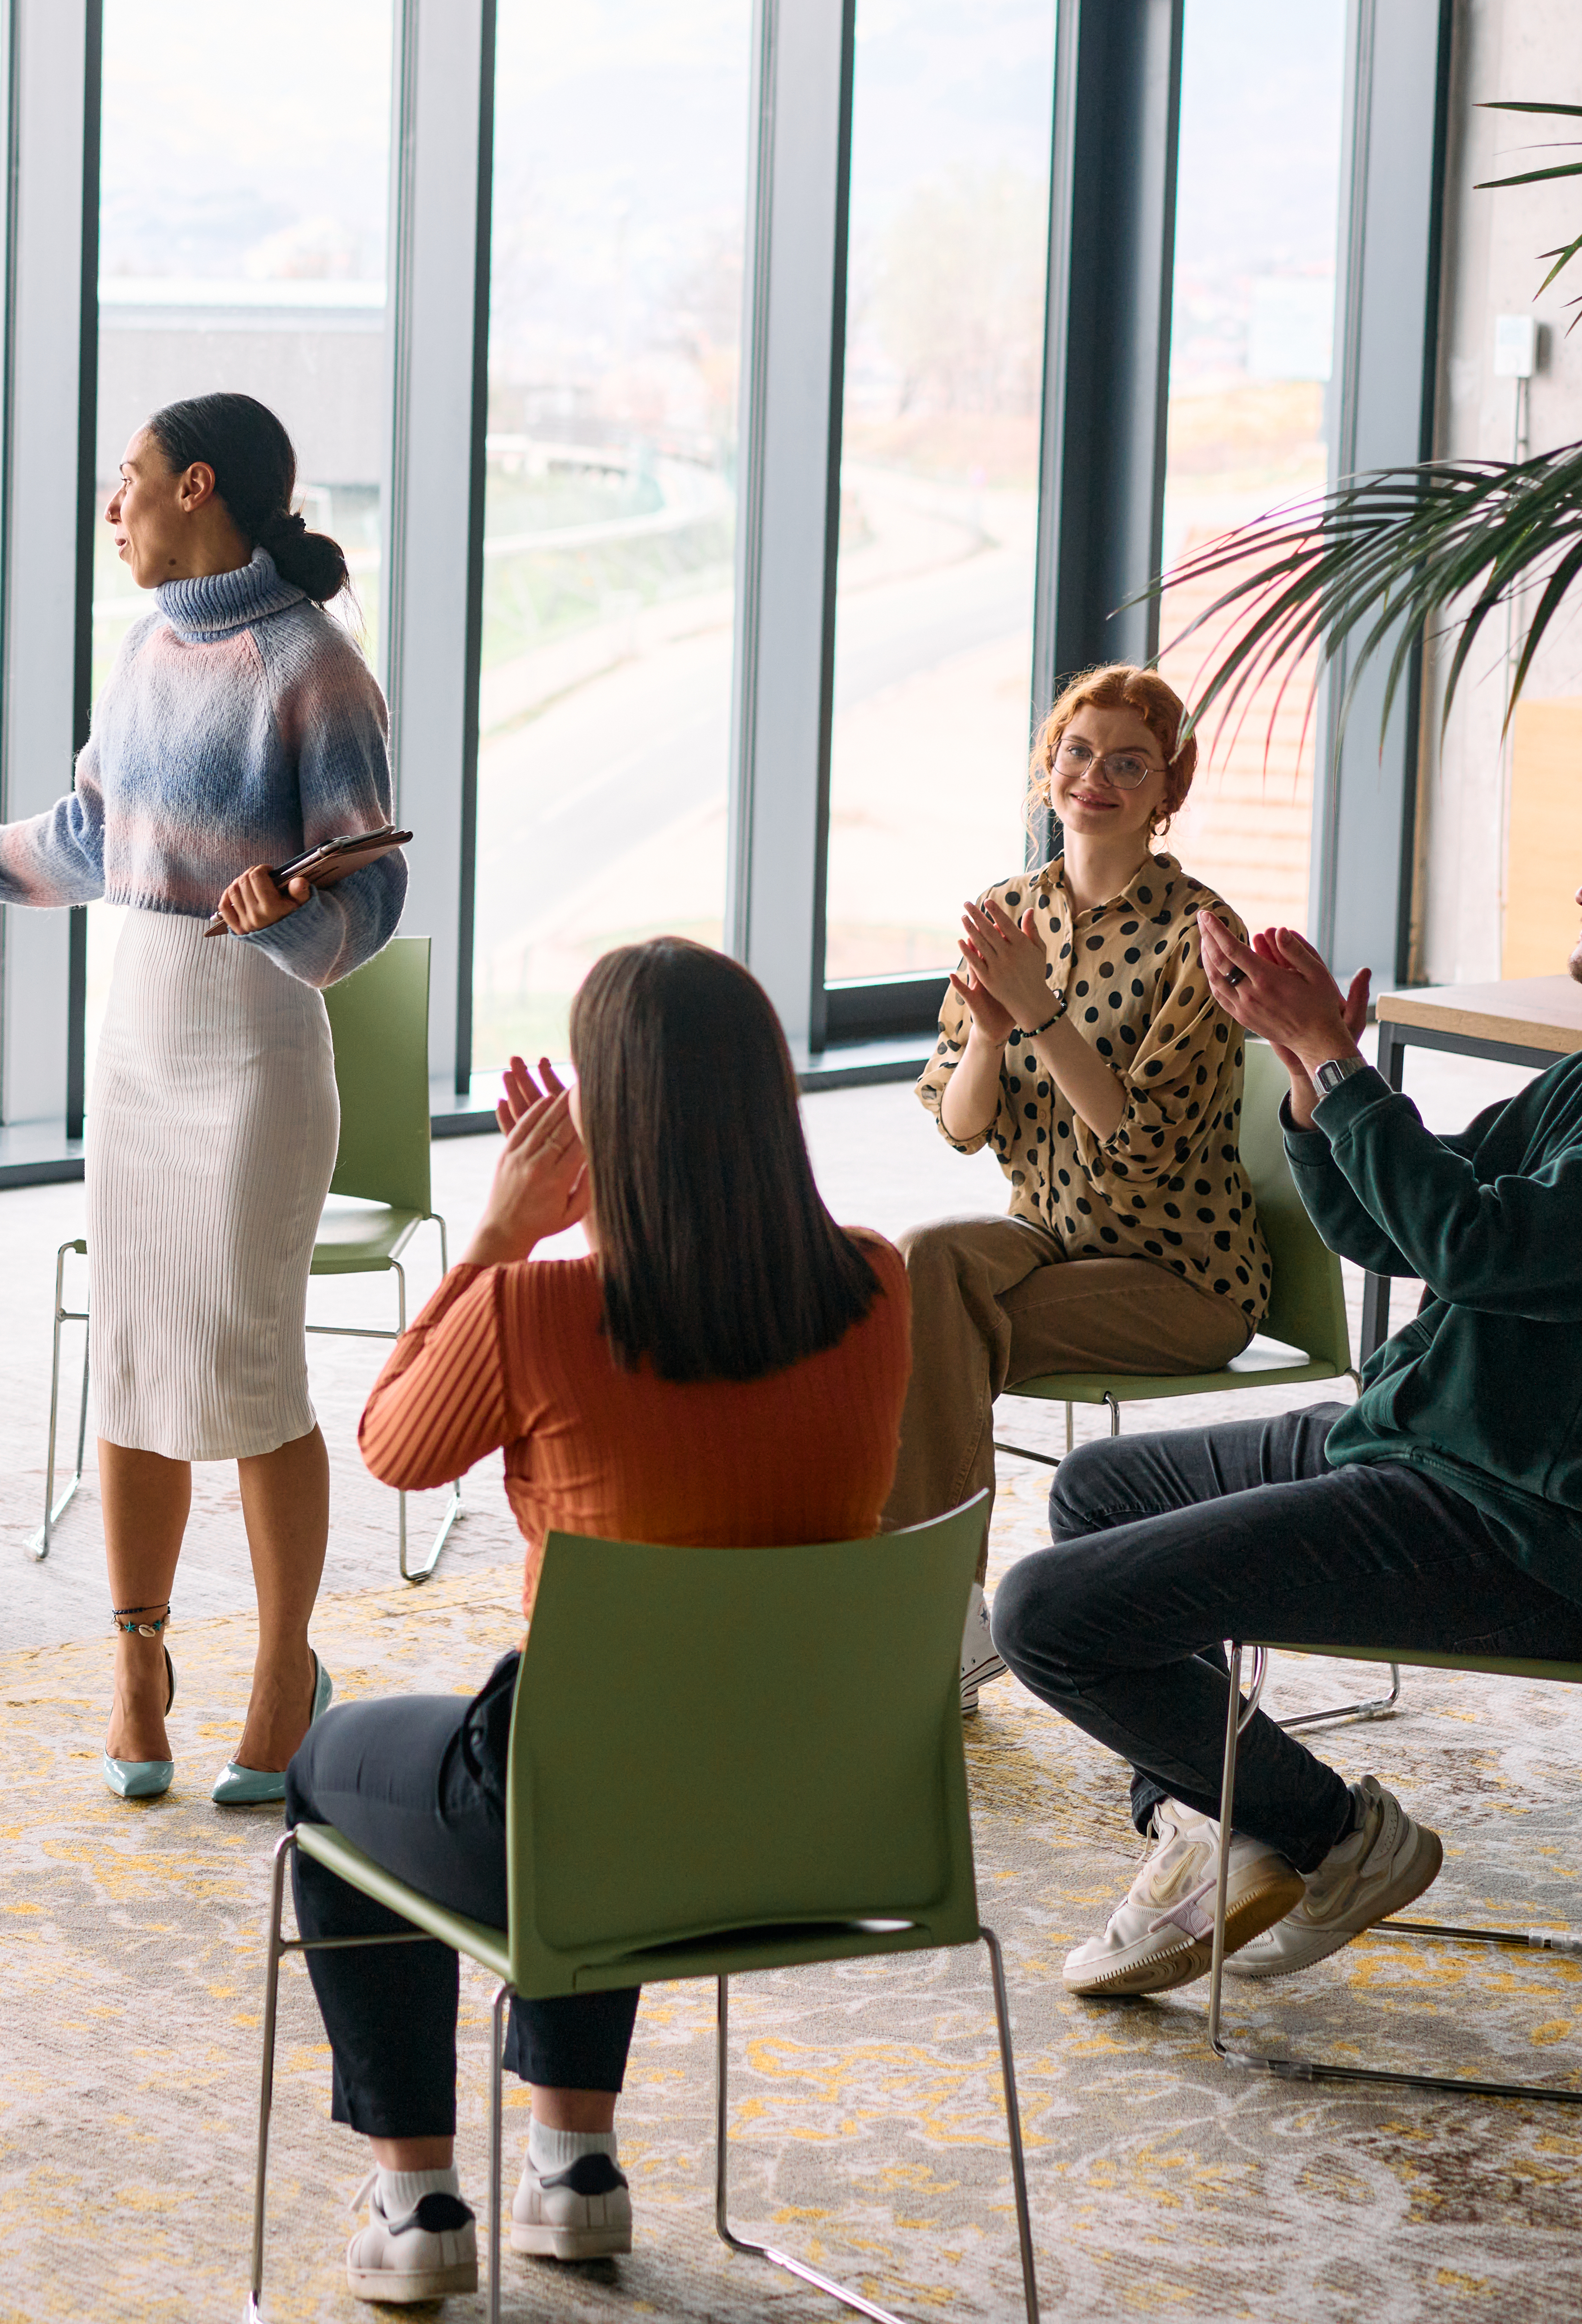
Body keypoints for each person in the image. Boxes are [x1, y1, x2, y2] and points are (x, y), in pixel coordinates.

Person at [993, 768, 1582, 2001]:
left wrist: (1342, 1057)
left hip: (1513, 1529)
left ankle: (1325, 1834)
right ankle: (1228, 1825)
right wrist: (1303, 1064)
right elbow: (1409, 1225)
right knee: (1101, 1488)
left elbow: (1482, 1248)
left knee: (1045, 1616)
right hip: (1433, 1446)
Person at [295, 940, 907, 2302]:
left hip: (597, 1819)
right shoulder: (879, 1287)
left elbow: (393, 1445)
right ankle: (574, 2169)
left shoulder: (539, 1305)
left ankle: (415, 2203)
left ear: (606, 1122)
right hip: (821, 1820)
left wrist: (507, 1236)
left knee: (338, 1774)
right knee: (617, 1727)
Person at [0, 392, 405, 1805]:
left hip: (255, 1044)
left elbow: (375, 894)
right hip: (142, 1032)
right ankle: (136, 1664)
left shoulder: (318, 671)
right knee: (134, 1356)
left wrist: (287, 913)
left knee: (249, 1364)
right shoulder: (148, 647)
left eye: (133, 479)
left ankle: (285, 1670)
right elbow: (97, 837)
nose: (116, 505)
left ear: (199, 488)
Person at [906, 664, 1271, 1698]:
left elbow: (1144, 1146)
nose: (1095, 777)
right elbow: (961, 1125)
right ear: (1046, 769)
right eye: (1077, 753)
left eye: (1129, 763)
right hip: (1051, 1238)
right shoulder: (1008, 911)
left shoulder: (1202, 937)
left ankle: (928, 1616)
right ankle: (941, 1614)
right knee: (919, 1263)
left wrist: (1040, 1017)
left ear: (1169, 792)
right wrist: (988, 1033)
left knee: (930, 1329)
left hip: (1181, 1274)